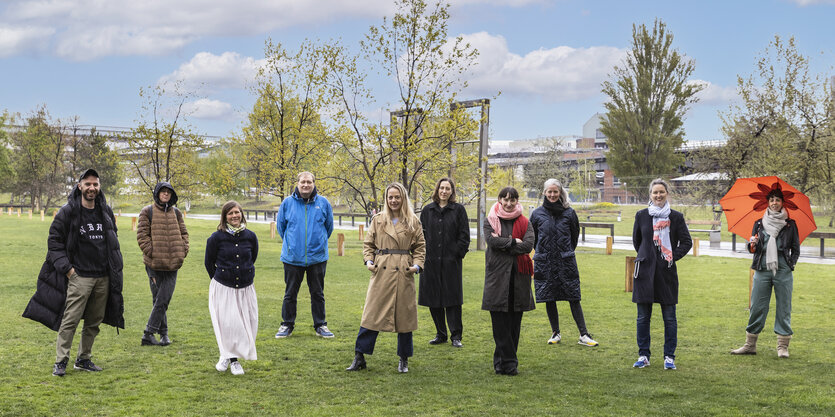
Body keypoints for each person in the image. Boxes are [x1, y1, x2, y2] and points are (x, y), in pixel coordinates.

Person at [23, 168, 125, 377]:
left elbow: (112, 241)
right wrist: (69, 271)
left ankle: (84, 359)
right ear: (79, 186)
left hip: (103, 277)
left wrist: (113, 271)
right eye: (87, 184)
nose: (92, 188)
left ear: (99, 186)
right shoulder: (68, 211)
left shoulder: (105, 211)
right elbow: (54, 243)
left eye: (95, 184)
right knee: (69, 320)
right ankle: (61, 361)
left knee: (94, 322)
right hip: (79, 276)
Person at [346, 183, 426, 373]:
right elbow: (368, 245)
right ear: (386, 199)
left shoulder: (413, 221)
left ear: (403, 198)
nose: (393, 201)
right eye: (390, 197)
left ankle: (404, 358)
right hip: (381, 272)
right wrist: (368, 261)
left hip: (403, 272)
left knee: (404, 318)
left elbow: (420, 248)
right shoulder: (378, 220)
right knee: (371, 315)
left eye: (397, 197)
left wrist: (416, 266)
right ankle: (360, 357)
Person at [731, 187, 800, 358]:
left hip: (782, 269)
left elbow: (796, 249)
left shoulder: (790, 225)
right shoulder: (759, 223)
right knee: (757, 306)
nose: (774, 203)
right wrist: (751, 244)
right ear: (767, 203)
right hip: (762, 268)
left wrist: (790, 264)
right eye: (771, 200)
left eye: (777, 200)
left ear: (783, 203)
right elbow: (752, 248)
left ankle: (782, 346)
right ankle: (750, 345)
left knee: (784, 307)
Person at [631, 178, 692, 370]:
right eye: (655, 192)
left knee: (669, 317)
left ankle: (669, 357)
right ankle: (644, 355)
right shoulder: (641, 216)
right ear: (650, 195)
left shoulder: (676, 217)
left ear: (667, 194)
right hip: (644, 273)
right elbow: (637, 241)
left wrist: (672, 256)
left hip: (666, 274)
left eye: (661, 192)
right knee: (642, 317)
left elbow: (686, 242)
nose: (658, 195)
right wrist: (646, 256)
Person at [530, 179, 598, 347]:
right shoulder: (537, 214)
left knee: (573, 297)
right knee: (549, 297)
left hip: (565, 262)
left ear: (560, 192)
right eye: (549, 191)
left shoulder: (569, 213)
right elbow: (534, 240)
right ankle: (555, 332)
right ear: (544, 193)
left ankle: (584, 334)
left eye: (555, 191)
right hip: (545, 262)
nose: (552, 195)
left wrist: (564, 252)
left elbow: (573, 238)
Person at [274, 172, 335, 339]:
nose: (306, 185)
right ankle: (287, 324)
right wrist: (293, 245)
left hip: (317, 257)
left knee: (317, 293)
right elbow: (281, 228)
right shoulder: (287, 203)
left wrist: (317, 243)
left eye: (309, 182)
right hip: (293, 258)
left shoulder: (323, 203)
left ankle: (320, 325)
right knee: (290, 293)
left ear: (314, 184)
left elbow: (328, 228)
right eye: (303, 182)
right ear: (298, 183)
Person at [482, 187, 535, 376]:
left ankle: (501, 364)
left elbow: (528, 245)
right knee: (499, 323)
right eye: (505, 199)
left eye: (513, 200)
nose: (509, 203)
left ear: (517, 201)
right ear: (499, 200)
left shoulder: (525, 222)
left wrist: (505, 243)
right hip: (497, 278)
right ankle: (510, 363)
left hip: (518, 278)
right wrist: (514, 242)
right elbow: (491, 242)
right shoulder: (490, 220)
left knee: (514, 324)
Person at [204, 201, 259, 376]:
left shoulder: (250, 236)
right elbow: (208, 263)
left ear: (242, 214)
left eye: (237, 212)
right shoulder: (215, 238)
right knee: (228, 324)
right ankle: (233, 361)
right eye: (230, 213)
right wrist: (221, 277)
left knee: (244, 325)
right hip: (223, 288)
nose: (234, 216)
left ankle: (227, 356)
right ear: (224, 217)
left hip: (245, 288)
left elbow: (253, 258)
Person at [419, 177, 470, 348]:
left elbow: (464, 236)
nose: (444, 191)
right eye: (441, 188)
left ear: (452, 191)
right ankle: (441, 334)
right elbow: (421, 236)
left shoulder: (459, 210)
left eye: (447, 188)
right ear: (437, 189)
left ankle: (456, 336)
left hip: (451, 263)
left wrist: (456, 254)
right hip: (431, 262)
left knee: (452, 300)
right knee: (434, 299)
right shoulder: (427, 211)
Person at [136, 182, 189, 346]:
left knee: (162, 299)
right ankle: (158, 334)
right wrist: (153, 253)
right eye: (163, 192)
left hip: (173, 264)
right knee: (159, 299)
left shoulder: (177, 213)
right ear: (157, 194)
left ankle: (151, 333)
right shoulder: (147, 211)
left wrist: (183, 250)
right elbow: (142, 237)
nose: (166, 194)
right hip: (154, 265)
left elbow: (184, 234)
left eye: (169, 192)